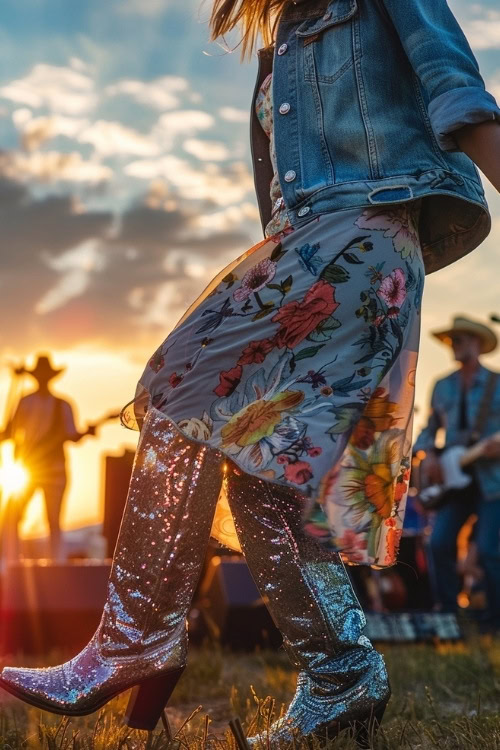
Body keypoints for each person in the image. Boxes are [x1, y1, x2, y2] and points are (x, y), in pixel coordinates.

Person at [1, 0, 499, 745]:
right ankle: (341, 674)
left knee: (180, 384)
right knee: (262, 473)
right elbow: (277, 196)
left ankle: (136, 638)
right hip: (304, 248)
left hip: (364, 236)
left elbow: (460, 95)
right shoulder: (280, 39)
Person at [414, 317, 500, 632]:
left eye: (460, 340)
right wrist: (430, 453)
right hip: (453, 482)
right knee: (438, 544)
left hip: (493, 481)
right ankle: (448, 616)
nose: (455, 346)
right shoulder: (441, 385)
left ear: (477, 344)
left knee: (491, 551)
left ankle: (494, 621)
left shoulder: (497, 383)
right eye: (451, 341)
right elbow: (429, 430)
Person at [0, 354, 96, 562]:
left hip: (49, 468)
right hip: (29, 468)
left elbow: (71, 436)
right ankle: (12, 560)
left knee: (52, 518)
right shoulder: (25, 402)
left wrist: (87, 432)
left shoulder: (61, 405)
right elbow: (9, 433)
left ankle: (55, 563)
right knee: (14, 516)